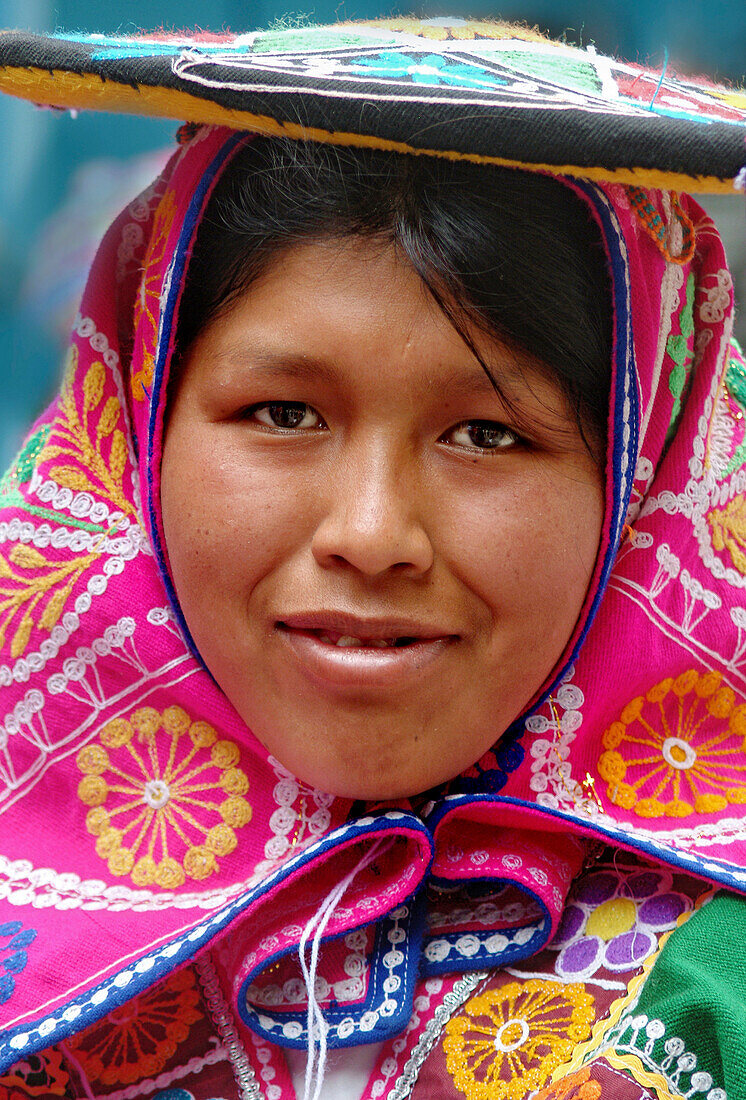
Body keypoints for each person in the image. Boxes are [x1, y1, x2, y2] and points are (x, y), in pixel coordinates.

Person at [1, 16, 746, 1100]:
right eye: (282, 410)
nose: (369, 531)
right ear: (137, 432)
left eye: (485, 434)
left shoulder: (708, 994)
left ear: (647, 484)